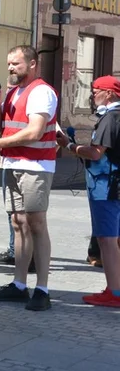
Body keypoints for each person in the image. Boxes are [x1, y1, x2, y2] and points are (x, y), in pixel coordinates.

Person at [0, 46, 58, 311]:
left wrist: (0, 142)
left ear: (33, 64)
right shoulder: (14, 93)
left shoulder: (42, 92)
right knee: (18, 222)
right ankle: (19, 284)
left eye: (16, 64)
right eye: (9, 63)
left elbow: (35, 132)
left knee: (36, 223)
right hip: (12, 163)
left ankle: (43, 289)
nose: (11, 68)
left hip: (36, 166)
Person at [57, 76, 120, 307]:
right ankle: (114, 288)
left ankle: (114, 291)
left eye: (96, 91)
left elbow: (96, 153)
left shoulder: (110, 118)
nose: (92, 95)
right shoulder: (114, 117)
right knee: (111, 239)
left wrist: (69, 145)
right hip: (111, 184)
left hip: (106, 186)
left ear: (110, 93)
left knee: (107, 239)